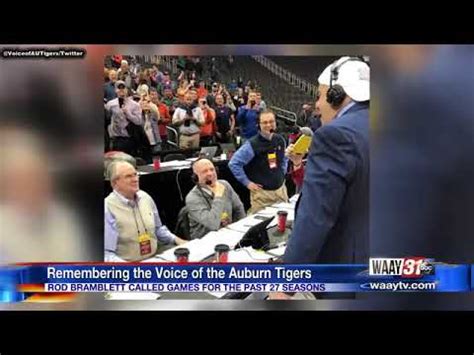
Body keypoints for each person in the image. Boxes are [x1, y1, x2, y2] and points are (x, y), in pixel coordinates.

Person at [269, 56, 370, 299]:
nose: (317, 105)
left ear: (337, 95)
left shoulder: (335, 135)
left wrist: (286, 283)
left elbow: (317, 216)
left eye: (320, 95)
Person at [104, 161, 185, 262]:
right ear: (115, 183)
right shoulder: (107, 208)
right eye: (128, 176)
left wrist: (179, 240)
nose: (135, 179)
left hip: (156, 256)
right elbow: (107, 254)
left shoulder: (146, 197)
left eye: (135, 174)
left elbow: (158, 230)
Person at [229, 110, 288, 214]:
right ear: (258, 125)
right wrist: (247, 183)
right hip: (262, 197)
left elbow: (284, 159)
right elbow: (234, 163)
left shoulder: (280, 140)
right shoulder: (252, 144)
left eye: (271, 121)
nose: (269, 125)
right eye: (264, 122)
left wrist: (282, 174)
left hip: (281, 192)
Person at [186, 159, 246, 239]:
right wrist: (218, 197)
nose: (210, 173)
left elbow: (238, 208)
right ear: (196, 177)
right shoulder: (193, 198)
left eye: (212, 169)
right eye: (204, 171)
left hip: (229, 234)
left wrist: (241, 230)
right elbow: (213, 224)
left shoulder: (225, 185)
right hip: (206, 241)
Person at [105, 80, 143, 156]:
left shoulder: (135, 105)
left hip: (131, 138)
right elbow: (106, 119)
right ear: (116, 90)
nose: (121, 90)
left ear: (127, 89)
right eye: (119, 88)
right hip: (117, 139)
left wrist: (128, 114)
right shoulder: (110, 104)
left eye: (123, 88)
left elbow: (139, 121)